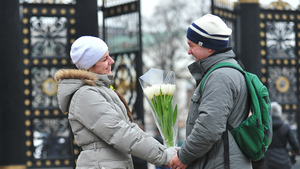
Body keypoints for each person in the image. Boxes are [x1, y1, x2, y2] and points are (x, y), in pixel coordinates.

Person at [54, 36, 177, 169]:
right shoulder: (85, 95)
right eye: (105, 59)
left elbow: (130, 128)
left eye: (109, 56)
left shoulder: (101, 90)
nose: (111, 61)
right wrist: (164, 156)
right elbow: (120, 133)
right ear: (90, 66)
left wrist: (166, 151)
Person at [169, 14, 252, 169]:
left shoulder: (220, 77)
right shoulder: (226, 71)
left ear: (209, 46)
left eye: (192, 45)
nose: (188, 51)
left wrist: (184, 157)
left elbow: (209, 128)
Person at [264, 102, 300, 169]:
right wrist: (294, 155)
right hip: (284, 161)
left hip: (268, 161)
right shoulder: (285, 127)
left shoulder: (265, 127)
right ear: (280, 113)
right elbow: (295, 145)